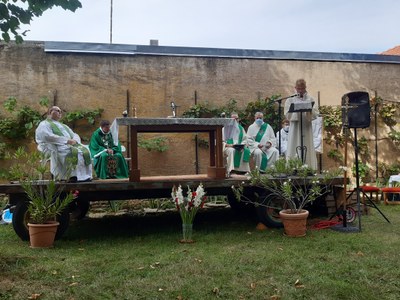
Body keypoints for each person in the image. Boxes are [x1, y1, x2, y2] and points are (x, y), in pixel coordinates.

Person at [35, 106, 92, 182]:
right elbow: (47, 136)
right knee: (69, 151)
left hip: (67, 144)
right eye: (57, 111)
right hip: (54, 145)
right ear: (50, 112)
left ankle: (84, 176)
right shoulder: (44, 124)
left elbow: (74, 134)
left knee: (85, 150)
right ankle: (69, 176)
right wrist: (66, 141)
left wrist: (74, 140)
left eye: (61, 111)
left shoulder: (63, 125)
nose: (60, 113)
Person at [284, 79, 319, 170]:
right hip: (295, 127)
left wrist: (309, 111)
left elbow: (315, 113)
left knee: (307, 144)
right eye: (298, 88)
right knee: (294, 144)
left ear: (305, 88)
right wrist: (295, 111)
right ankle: (293, 167)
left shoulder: (310, 99)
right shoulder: (290, 99)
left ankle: (308, 167)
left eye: (302, 89)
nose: (300, 91)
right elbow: (287, 114)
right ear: (295, 88)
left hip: (306, 126)